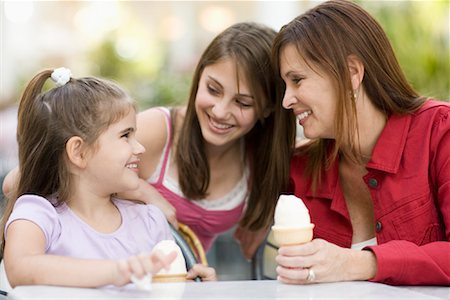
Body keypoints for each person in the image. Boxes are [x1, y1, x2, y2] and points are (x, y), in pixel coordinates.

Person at [272, 0, 450, 286]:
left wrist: (361, 262)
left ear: (351, 73)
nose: (286, 100)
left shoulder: (440, 132)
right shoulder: (301, 169)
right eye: (285, 85)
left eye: (297, 80)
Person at [0, 68, 215, 289]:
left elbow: (167, 288)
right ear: (79, 152)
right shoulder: (39, 215)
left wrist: (197, 288)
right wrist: (115, 271)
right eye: (125, 135)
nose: (140, 148)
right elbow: (20, 269)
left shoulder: (150, 221)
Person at [121, 22, 296, 258]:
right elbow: (87, 166)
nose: (221, 111)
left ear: (268, 108)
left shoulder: (261, 161)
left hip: (185, 284)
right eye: (213, 89)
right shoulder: (157, 129)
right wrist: (146, 193)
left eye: (243, 103)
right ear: (199, 76)